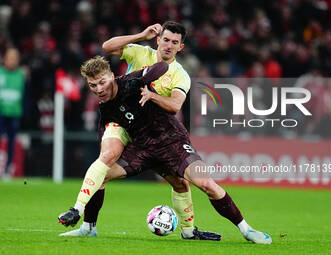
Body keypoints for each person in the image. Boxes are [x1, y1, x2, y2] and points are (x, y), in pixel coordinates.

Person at [58, 56, 272, 244]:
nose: (98, 89)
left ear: (112, 76)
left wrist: (144, 76)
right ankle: (88, 228)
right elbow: (104, 130)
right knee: (101, 175)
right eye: (93, 85)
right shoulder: (105, 106)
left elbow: (162, 67)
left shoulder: (131, 83)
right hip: (142, 150)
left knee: (204, 184)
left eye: (102, 82)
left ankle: (245, 230)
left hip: (171, 143)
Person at [60, 21, 220, 240]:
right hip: (121, 119)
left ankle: (189, 231)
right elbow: (107, 47)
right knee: (106, 158)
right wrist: (141, 34)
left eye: (174, 42)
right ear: (158, 40)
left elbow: (174, 107)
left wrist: (153, 96)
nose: (169, 45)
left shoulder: (180, 74)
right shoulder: (140, 51)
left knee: (180, 182)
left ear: (180, 47)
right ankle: (85, 222)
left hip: (152, 130)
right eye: (165, 40)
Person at [0, 48, 25, 180]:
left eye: (15, 58)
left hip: (14, 113)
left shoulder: (21, 75)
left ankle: (8, 169)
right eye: (10, 58)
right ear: (5, 58)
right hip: (1, 112)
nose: (12, 61)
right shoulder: (0, 73)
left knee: (11, 143)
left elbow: (24, 96)